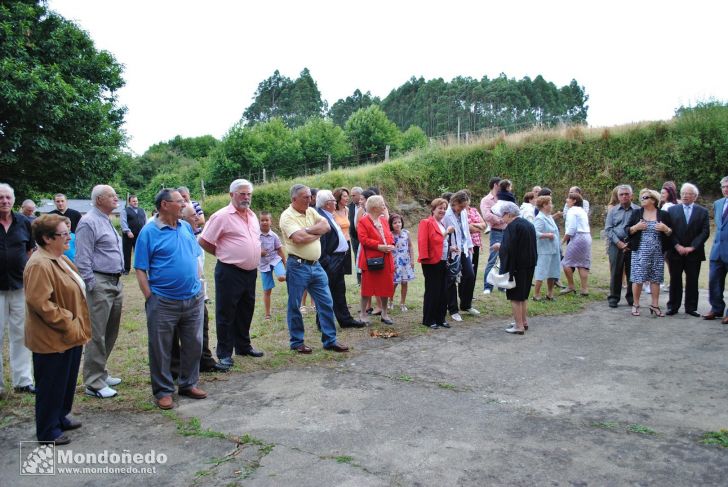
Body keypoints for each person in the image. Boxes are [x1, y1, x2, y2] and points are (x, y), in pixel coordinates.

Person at [135, 189, 207, 410]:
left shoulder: (185, 227)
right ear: (165, 205)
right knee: (161, 348)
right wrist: (150, 297)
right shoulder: (148, 233)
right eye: (180, 201)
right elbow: (140, 268)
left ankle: (188, 383)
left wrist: (198, 285)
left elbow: (195, 257)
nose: (186, 204)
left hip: (192, 298)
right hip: (163, 301)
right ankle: (163, 391)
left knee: (194, 344)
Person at [24, 214, 90, 444]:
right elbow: (40, 303)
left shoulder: (59, 257)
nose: (68, 238)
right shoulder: (40, 263)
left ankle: (60, 417)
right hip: (52, 337)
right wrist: (69, 320)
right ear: (46, 238)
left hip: (68, 335)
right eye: (63, 234)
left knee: (65, 380)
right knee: (51, 384)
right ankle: (47, 430)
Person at [199, 179, 264, 370]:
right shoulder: (221, 216)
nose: (246, 197)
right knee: (226, 312)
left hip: (250, 271)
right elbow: (204, 241)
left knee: (246, 309)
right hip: (229, 271)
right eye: (242, 193)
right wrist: (224, 254)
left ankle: (243, 346)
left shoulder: (252, 215)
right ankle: (225, 353)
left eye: (249, 194)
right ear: (231, 195)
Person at [279, 184, 348, 353]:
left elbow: (326, 227)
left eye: (310, 196)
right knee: (295, 305)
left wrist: (309, 230)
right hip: (297, 266)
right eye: (305, 197)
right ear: (294, 199)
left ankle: (330, 340)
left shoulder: (311, 211)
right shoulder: (287, 216)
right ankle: (297, 342)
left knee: (326, 302)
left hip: (316, 266)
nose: (310, 200)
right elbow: (298, 238)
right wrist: (314, 233)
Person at [75, 184, 124, 398]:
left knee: (110, 330)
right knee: (97, 333)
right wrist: (91, 284)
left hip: (115, 281)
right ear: (98, 200)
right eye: (111, 196)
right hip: (100, 281)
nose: (116, 198)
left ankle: (101, 372)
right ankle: (94, 382)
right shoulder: (88, 222)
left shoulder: (106, 219)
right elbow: (82, 258)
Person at [170, 205, 223, 375]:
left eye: (198, 215)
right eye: (194, 215)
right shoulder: (174, 233)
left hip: (197, 289)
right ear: (182, 217)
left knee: (202, 323)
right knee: (175, 331)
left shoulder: (192, 234)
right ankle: (176, 367)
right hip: (176, 292)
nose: (198, 218)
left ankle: (204, 360)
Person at [0, 183, 35, 396]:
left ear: (13, 200)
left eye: (7, 197)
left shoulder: (23, 222)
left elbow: (30, 251)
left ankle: (23, 380)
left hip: (20, 286)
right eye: (1, 197)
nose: (4, 201)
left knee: (21, 335)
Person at [316, 190, 364, 329]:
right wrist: (327, 262)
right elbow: (322, 242)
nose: (335, 201)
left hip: (339, 258)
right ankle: (322, 322)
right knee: (327, 291)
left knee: (339, 289)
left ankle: (345, 319)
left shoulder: (329, 215)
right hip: (331, 259)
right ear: (327, 204)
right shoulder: (321, 217)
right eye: (332, 200)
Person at [625, 189, 674, 317]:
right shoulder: (636, 213)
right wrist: (636, 227)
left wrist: (666, 229)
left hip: (657, 252)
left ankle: (655, 305)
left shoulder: (663, 214)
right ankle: (636, 304)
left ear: (653, 200)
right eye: (641, 197)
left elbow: (670, 233)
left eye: (645, 197)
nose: (642, 199)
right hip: (639, 252)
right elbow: (627, 230)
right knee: (637, 279)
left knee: (656, 279)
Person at [665, 183, 710, 316]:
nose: (685, 196)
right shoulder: (672, 210)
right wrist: (677, 245)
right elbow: (668, 231)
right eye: (683, 193)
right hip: (675, 251)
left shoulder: (703, 211)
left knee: (692, 280)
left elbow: (705, 231)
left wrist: (692, 247)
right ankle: (673, 306)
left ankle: (691, 308)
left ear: (695, 196)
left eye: (688, 193)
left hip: (694, 253)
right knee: (675, 279)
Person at [492, 202, 537, 334]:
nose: (501, 218)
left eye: (503, 215)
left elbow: (509, 248)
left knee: (515, 297)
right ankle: (523, 321)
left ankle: (518, 326)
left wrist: (499, 247)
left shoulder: (512, 226)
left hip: (517, 266)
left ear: (509, 214)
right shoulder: (528, 224)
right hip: (529, 264)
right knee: (523, 296)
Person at [357, 195, 396, 325]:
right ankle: (362, 314)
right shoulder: (363, 221)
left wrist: (391, 244)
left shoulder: (384, 220)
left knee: (386, 286)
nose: (384, 206)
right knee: (367, 288)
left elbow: (389, 235)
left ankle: (384, 313)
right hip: (371, 260)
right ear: (374, 208)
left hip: (386, 258)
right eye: (382, 204)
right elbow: (363, 239)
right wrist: (379, 246)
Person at [418, 198, 454, 329]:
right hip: (431, 262)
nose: (443, 211)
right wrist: (446, 234)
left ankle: (440, 318)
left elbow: (440, 244)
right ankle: (429, 319)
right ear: (433, 209)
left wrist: (450, 248)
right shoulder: (426, 222)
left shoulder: (442, 224)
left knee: (443, 291)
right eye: (440, 208)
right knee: (432, 291)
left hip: (443, 260)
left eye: (445, 208)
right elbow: (425, 241)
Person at [444, 190, 479, 321]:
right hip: (452, 249)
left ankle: (466, 304)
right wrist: (449, 248)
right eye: (461, 206)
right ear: (454, 203)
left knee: (470, 275)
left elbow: (465, 230)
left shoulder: (463, 212)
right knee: (452, 279)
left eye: (465, 206)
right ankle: (453, 309)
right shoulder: (446, 215)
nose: (463, 209)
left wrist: (470, 246)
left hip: (464, 248)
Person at [605, 185, 640, 308]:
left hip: (632, 245)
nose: (624, 196)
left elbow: (640, 229)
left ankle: (631, 297)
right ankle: (614, 297)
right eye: (621, 194)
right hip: (616, 245)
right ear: (618, 196)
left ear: (631, 195)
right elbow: (608, 229)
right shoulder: (613, 210)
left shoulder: (638, 210)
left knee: (632, 272)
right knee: (616, 271)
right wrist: (618, 243)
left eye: (627, 194)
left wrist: (629, 243)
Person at [705, 176, 728, 323]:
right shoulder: (718, 203)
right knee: (714, 281)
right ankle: (716, 308)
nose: (726, 189)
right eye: (724, 187)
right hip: (717, 250)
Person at [560, 192, 591, 295]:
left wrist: (563, 240)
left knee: (566, 263)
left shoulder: (572, 211)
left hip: (578, 237)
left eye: (569, 198)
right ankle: (584, 289)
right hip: (587, 236)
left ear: (574, 201)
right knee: (582, 264)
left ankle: (571, 286)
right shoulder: (582, 211)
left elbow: (571, 229)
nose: (566, 200)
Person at [258, 211, 286, 321]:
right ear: (259, 222)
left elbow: (280, 250)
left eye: (266, 220)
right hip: (263, 264)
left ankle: (289, 276)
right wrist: (259, 252)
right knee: (267, 290)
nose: (264, 222)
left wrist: (285, 263)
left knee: (281, 277)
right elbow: (250, 248)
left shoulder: (274, 236)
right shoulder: (255, 235)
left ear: (271, 222)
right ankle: (267, 314)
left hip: (275, 260)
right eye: (262, 220)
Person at [532, 196, 560, 301]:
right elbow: (534, 233)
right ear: (544, 205)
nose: (551, 205)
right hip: (544, 250)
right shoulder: (539, 218)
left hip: (553, 249)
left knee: (553, 271)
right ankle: (536, 294)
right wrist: (547, 235)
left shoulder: (549, 216)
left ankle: (550, 294)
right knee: (541, 271)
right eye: (550, 203)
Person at [481, 177, 506, 294]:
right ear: (496, 185)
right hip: (496, 231)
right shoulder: (486, 200)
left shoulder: (504, 197)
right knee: (493, 259)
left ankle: (502, 285)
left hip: (508, 231)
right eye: (501, 184)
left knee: (505, 259)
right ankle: (487, 286)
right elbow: (487, 215)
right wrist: (501, 220)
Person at [389, 213, 414, 311]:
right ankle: (390, 301)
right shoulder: (390, 235)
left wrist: (412, 260)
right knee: (394, 283)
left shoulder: (406, 233)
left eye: (399, 222)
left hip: (405, 262)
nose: (397, 224)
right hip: (395, 262)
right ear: (391, 224)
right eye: (395, 223)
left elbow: (411, 246)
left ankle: (402, 303)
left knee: (404, 282)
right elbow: (389, 250)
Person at [120, 194, 147, 274]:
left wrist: (145, 231)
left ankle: (141, 268)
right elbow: (123, 222)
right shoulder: (125, 211)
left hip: (139, 235)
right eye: (134, 201)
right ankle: (126, 269)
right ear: (129, 202)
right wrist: (128, 231)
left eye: (136, 201)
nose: (136, 202)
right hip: (128, 235)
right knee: (127, 252)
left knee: (140, 252)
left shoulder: (142, 210)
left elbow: (146, 221)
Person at [465, 191, 487, 283]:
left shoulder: (474, 210)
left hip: (476, 244)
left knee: (474, 268)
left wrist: (473, 224)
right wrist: (478, 227)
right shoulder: (461, 212)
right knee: (467, 269)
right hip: (466, 244)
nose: (467, 200)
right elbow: (467, 228)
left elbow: (484, 225)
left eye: (468, 198)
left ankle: (471, 293)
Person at [333, 187, 353, 275]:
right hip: (337, 243)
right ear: (338, 198)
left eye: (347, 196)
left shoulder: (347, 210)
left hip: (347, 242)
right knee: (336, 269)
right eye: (345, 196)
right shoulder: (332, 212)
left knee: (344, 270)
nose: (347, 198)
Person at [348, 186, 364, 283]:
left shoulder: (366, 207)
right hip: (354, 237)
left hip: (365, 237)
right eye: (351, 195)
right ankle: (359, 281)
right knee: (356, 258)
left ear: (360, 195)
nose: (352, 197)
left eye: (354, 195)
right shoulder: (350, 207)